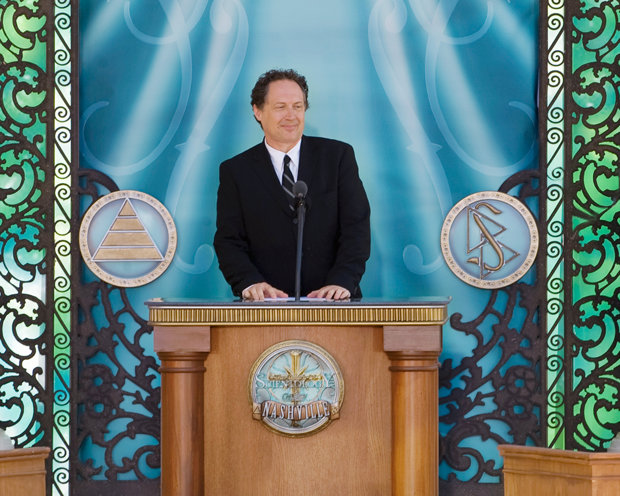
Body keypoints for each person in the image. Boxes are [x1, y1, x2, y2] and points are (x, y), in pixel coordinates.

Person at [213, 68, 370, 301]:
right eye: (280, 107)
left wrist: (342, 281)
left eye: (297, 106)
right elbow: (229, 240)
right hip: (265, 307)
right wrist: (249, 282)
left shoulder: (337, 157)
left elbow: (356, 228)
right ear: (257, 111)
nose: (291, 116)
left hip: (333, 303)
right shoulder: (235, 171)